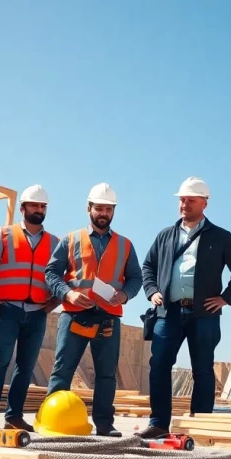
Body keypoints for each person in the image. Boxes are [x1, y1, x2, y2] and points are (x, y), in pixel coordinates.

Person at [138, 177, 231, 439]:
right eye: (181, 199)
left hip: (205, 314)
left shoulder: (221, 236)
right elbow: (148, 267)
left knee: (202, 367)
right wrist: (152, 291)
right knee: (160, 365)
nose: (184, 204)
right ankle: (158, 423)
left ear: (204, 202)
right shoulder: (165, 235)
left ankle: (200, 425)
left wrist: (226, 298)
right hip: (169, 312)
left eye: (190, 200)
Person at [44, 183, 143, 437]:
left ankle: (104, 424)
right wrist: (68, 293)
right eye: (99, 208)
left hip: (109, 316)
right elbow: (51, 273)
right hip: (75, 313)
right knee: (63, 369)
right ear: (89, 208)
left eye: (109, 209)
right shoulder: (71, 239)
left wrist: (125, 294)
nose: (104, 214)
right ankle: (53, 420)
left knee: (106, 374)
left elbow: (135, 278)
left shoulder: (125, 244)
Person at [0, 185, 61, 431]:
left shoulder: (54, 242)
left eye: (43, 206)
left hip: (37, 312)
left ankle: (14, 416)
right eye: (34, 205)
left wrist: (54, 302)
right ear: (23, 208)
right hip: (7, 309)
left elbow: (60, 276)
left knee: (26, 366)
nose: (39, 210)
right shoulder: (4, 234)